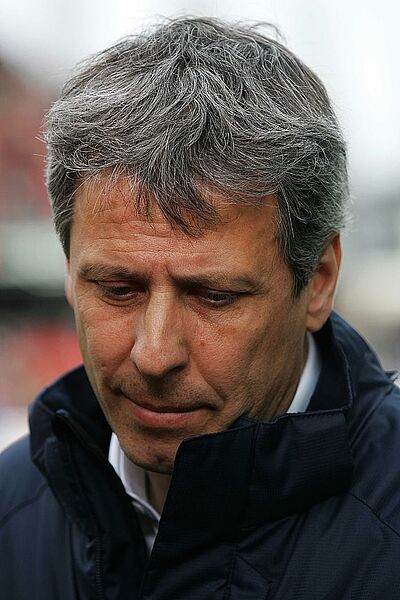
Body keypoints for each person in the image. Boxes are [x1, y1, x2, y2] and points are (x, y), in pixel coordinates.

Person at [1, 17, 400, 599]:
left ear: (318, 281)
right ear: (69, 271)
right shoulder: (12, 515)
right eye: (117, 288)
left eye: (214, 296)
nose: (155, 353)